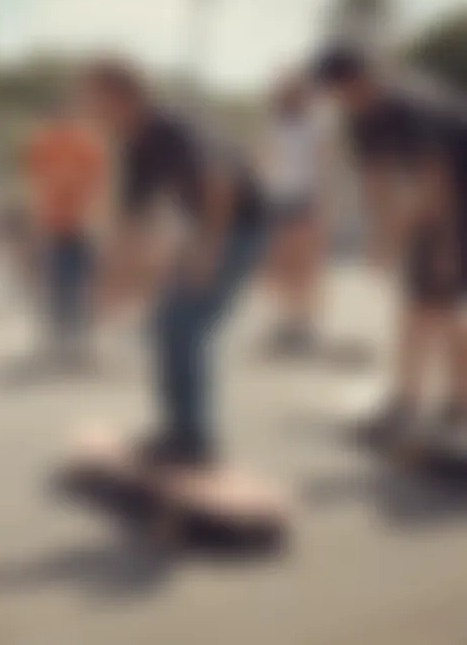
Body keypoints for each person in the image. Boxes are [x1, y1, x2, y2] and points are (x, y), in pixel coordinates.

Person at [83, 60, 266, 467]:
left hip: (236, 227)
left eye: (94, 99)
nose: (89, 109)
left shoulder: (170, 128)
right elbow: (131, 223)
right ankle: (177, 432)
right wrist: (110, 284)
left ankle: (195, 441)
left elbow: (220, 179)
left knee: (183, 324)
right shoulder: (136, 143)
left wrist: (207, 248)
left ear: (119, 96)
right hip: (205, 231)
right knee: (164, 323)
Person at [314, 47, 467, 444]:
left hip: (455, 198)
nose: (340, 101)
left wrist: (445, 247)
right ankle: (452, 402)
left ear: (360, 80)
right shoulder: (362, 118)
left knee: (427, 303)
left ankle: (407, 403)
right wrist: (379, 239)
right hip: (440, 201)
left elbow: (439, 178)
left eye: (341, 92)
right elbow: (377, 178)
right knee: (438, 303)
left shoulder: (407, 105)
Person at [24, 102, 107, 362]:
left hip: (82, 224)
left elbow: (100, 182)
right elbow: (34, 183)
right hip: (55, 224)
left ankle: (82, 341)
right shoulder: (44, 143)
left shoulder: (86, 143)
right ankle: (62, 340)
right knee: (59, 283)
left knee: (82, 283)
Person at [261, 72, 332, 352]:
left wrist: (324, 206)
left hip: (305, 199)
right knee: (279, 264)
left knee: (305, 264)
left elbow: (324, 166)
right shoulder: (274, 123)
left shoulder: (316, 124)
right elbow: (264, 160)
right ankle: (287, 320)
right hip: (275, 199)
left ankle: (304, 323)